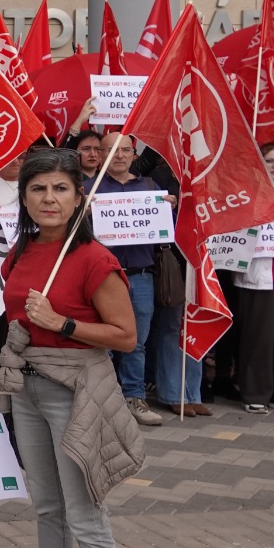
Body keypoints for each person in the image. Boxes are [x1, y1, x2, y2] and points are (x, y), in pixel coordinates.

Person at [0, 147, 142, 548]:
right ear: (23, 197)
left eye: (60, 189)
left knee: (86, 515)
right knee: (46, 504)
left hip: (76, 392)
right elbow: (11, 322)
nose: (49, 198)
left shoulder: (95, 259)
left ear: (78, 196)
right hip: (26, 389)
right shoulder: (20, 250)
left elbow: (126, 336)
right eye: (38, 189)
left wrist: (64, 324)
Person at [85, 134, 164, 427]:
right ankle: (104, 399)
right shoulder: (87, 189)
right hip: (103, 278)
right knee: (101, 341)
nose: (119, 155)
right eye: (111, 150)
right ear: (101, 155)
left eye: (125, 150)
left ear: (134, 155)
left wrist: (171, 205)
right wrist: (83, 210)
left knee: (136, 342)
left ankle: (133, 396)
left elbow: (167, 231)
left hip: (141, 276)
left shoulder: (149, 186)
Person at [235, 143, 274, 414]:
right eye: (270, 161)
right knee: (259, 336)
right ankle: (255, 393)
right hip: (262, 276)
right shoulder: (246, 196)